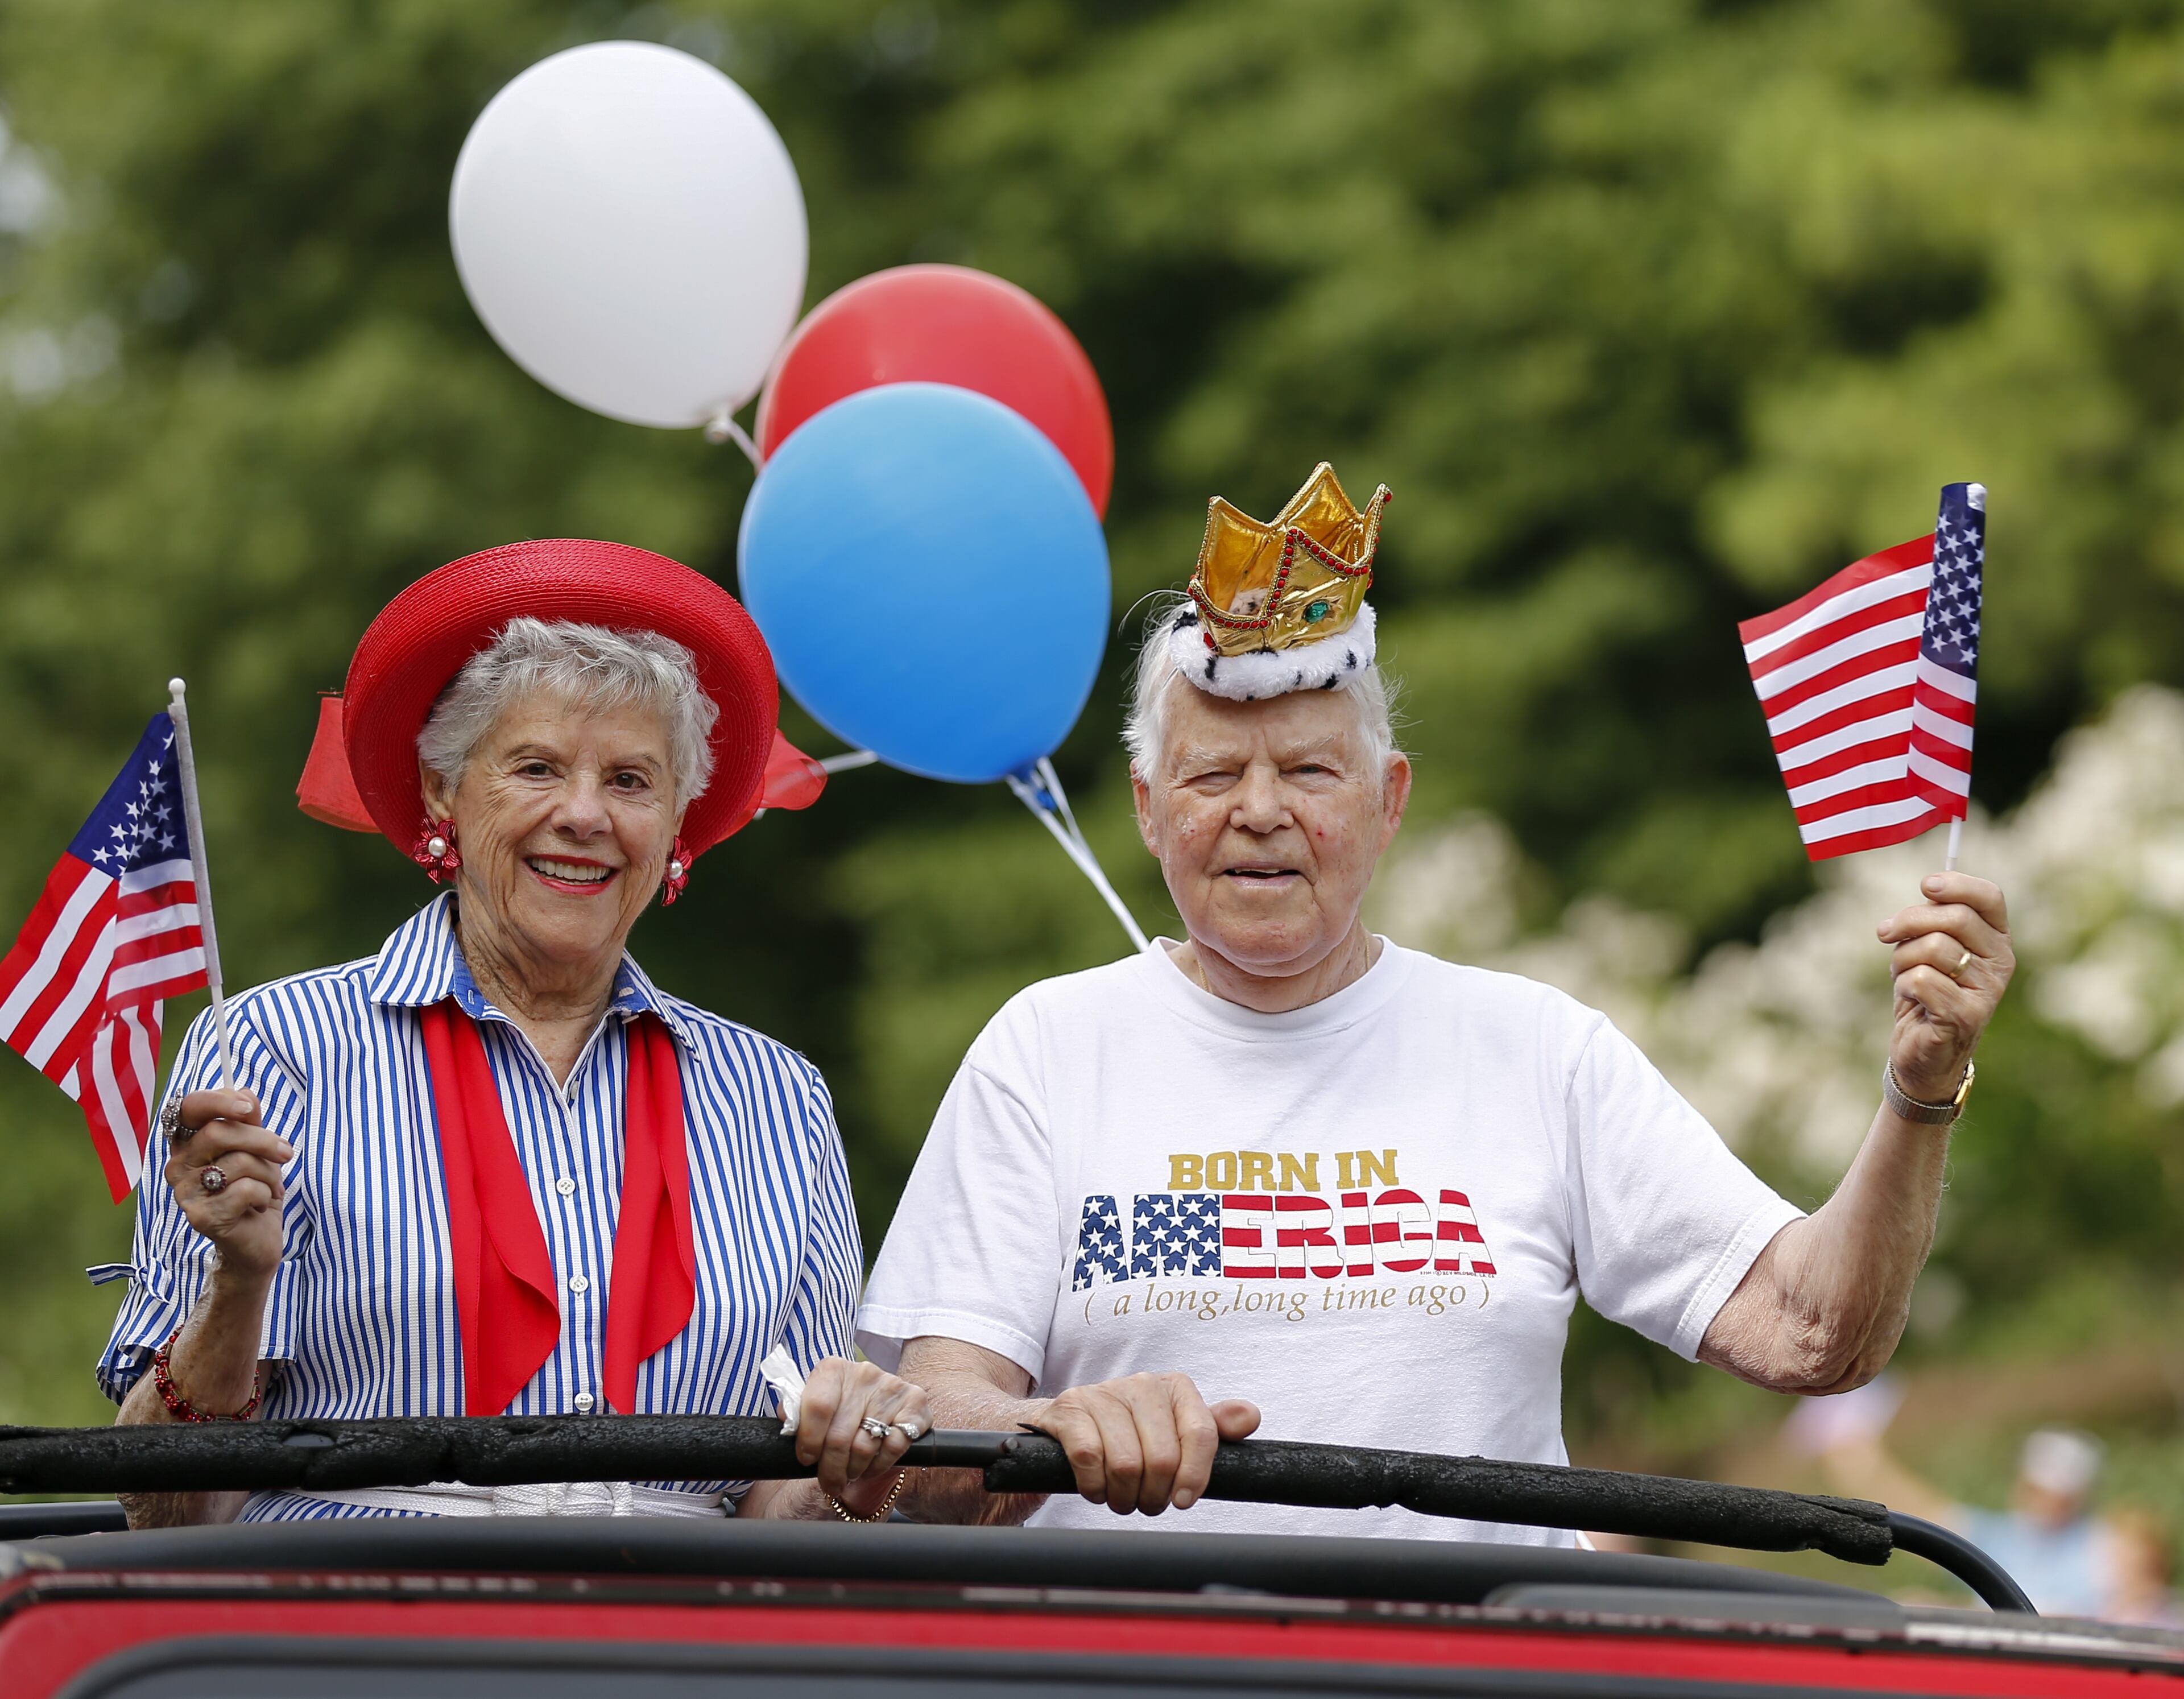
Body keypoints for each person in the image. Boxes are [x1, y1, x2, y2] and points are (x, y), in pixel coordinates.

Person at [856, 464, 2017, 1540]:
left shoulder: (1535, 1047)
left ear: (1388, 799)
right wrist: (1051, 1428)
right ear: (1150, 807)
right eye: (1215, 774)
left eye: (1311, 771)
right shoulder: (1048, 1048)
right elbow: (936, 1425)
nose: (1261, 810)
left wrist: (1919, 1092)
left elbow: (1813, 1332)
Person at [98, 539, 929, 1526]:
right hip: (359, 1638)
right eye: (536, 767)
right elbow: (162, 1509)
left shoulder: (776, 1095)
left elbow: (784, 1507)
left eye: (630, 780)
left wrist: (859, 1464)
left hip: (687, 1651)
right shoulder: (275, 1049)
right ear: (444, 791)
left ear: (675, 824)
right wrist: (240, 1280)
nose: (583, 814)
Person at [1797, 1380, 2146, 1620]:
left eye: (2058, 1494)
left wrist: (1950, 1609)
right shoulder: (2007, 1537)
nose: (2045, 1501)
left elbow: (2083, 1618)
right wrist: (1863, 1463)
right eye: (2038, 1487)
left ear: (2080, 1497)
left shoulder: (2104, 1546)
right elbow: (1926, 1519)